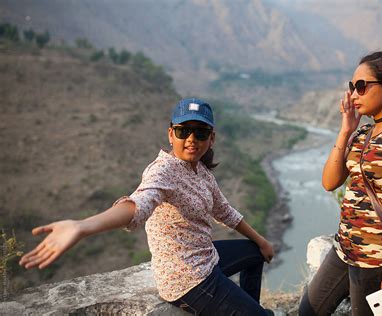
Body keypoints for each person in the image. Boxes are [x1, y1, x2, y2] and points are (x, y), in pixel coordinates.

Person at [20, 98, 275, 316]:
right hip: (188, 280)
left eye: (200, 133)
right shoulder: (163, 171)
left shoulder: (201, 172)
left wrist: (261, 240)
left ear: (212, 138)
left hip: (206, 257)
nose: (191, 139)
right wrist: (82, 226)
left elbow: (225, 211)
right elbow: (136, 205)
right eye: (183, 131)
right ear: (170, 134)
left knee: (255, 253)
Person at [299, 51, 382, 316]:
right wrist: (346, 129)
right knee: (308, 311)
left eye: (361, 86)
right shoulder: (361, 133)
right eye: (352, 87)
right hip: (344, 248)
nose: (354, 94)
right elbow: (329, 182)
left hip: (378, 259)